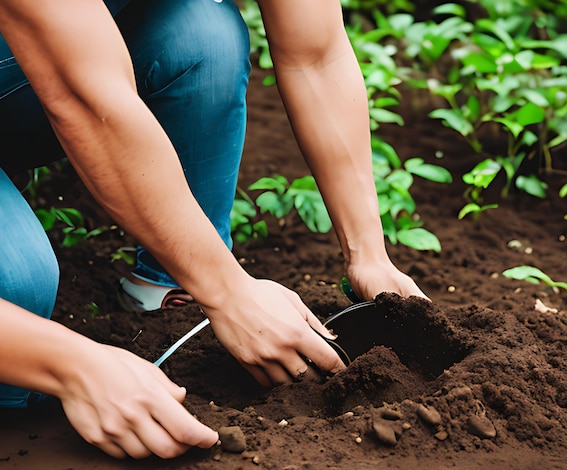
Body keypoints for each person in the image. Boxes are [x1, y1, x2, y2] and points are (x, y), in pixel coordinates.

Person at [0, 0, 429, 460]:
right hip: (45, 56)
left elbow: (316, 55)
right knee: (19, 285)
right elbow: (83, 100)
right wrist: (74, 366)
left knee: (203, 35)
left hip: (50, 58)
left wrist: (368, 254)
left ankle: (167, 288)